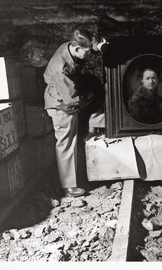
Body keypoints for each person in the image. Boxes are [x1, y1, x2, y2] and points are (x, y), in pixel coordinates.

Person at [44, 27, 107, 197]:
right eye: (87, 52)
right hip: (61, 103)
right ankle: (68, 186)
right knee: (66, 141)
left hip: (65, 92)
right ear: (77, 49)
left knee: (72, 139)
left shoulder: (71, 46)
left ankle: (75, 176)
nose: (88, 55)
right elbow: (71, 98)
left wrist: (96, 46)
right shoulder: (62, 67)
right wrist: (91, 101)